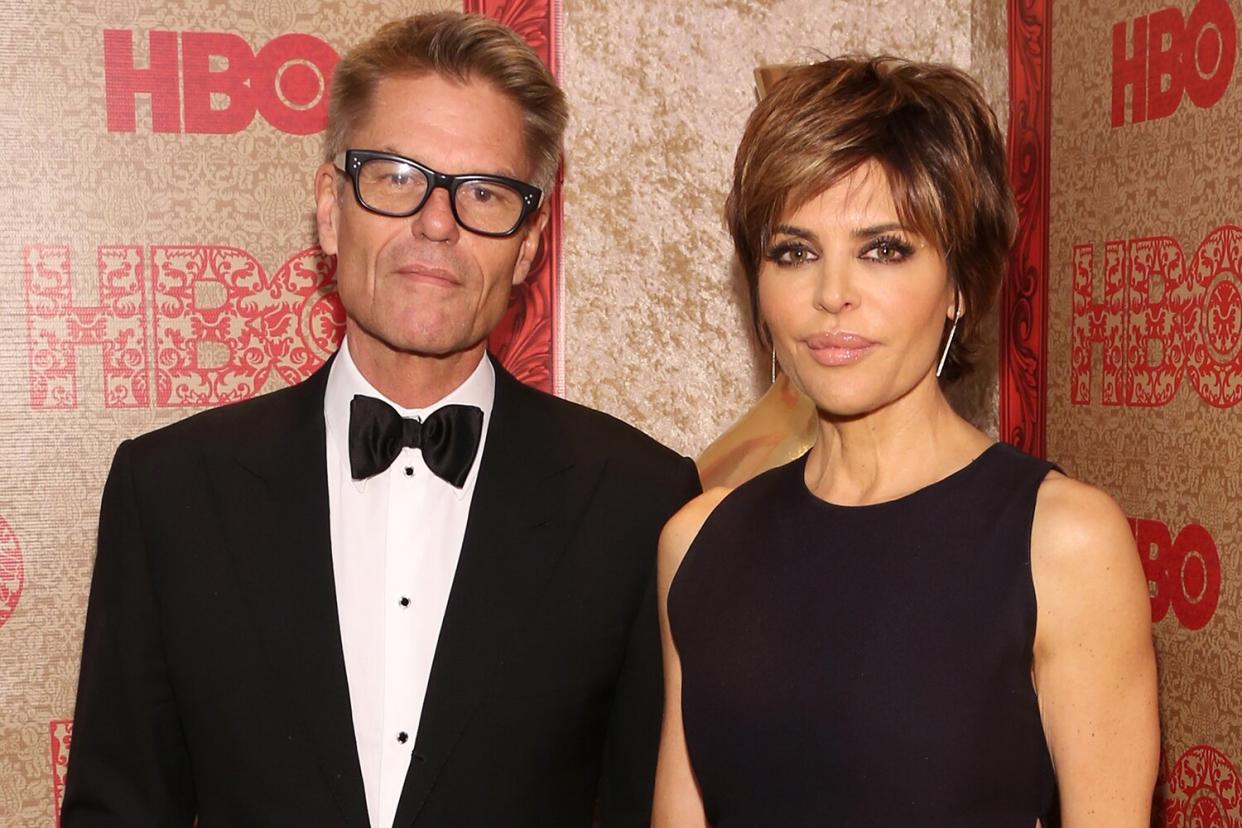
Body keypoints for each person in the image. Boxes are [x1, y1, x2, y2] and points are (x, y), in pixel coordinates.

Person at [63, 12, 700, 828]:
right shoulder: (171, 492)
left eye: (484, 192)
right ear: (331, 205)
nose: (438, 223)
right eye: (397, 176)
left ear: (531, 242)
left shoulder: (640, 501)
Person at [653, 57, 1158, 826]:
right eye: (794, 251)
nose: (832, 294)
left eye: (883, 248)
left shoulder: (1061, 540)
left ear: (960, 282)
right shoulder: (696, 543)